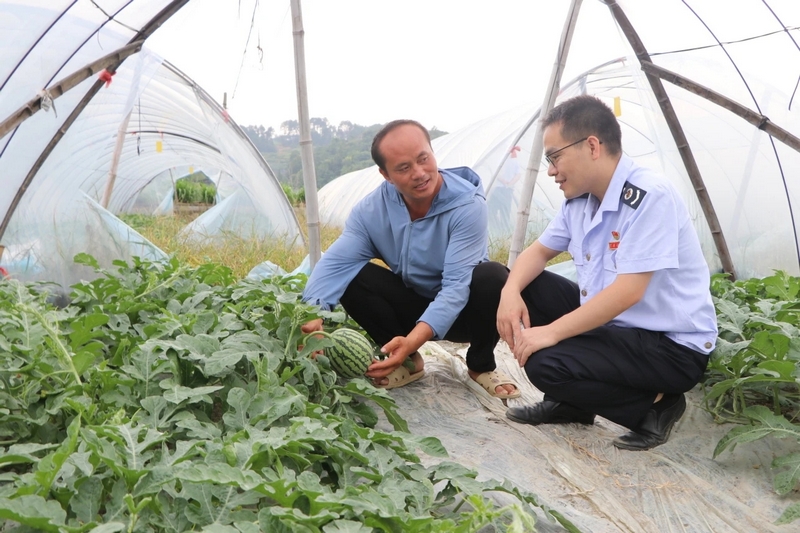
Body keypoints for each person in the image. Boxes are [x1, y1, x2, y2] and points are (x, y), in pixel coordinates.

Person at [496, 95, 718, 450]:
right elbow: (537, 253)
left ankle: (658, 406)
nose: (551, 169)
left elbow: (629, 292)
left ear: (592, 146)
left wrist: (550, 333)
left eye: (554, 156)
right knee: (511, 281)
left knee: (545, 366)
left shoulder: (649, 197)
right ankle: (574, 403)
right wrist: (509, 294)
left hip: (669, 346)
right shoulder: (580, 201)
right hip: (620, 330)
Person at [302, 119, 520, 399]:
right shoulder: (371, 212)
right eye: (404, 168)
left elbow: (455, 289)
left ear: (432, 152)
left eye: (423, 159)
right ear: (386, 175)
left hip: (465, 312)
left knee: (492, 277)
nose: (419, 173)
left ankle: (480, 365)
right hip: (412, 304)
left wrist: (413, 338)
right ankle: (408, 361)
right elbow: (335, 264)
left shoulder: (467, 205)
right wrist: (312, 317)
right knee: (352, 276)